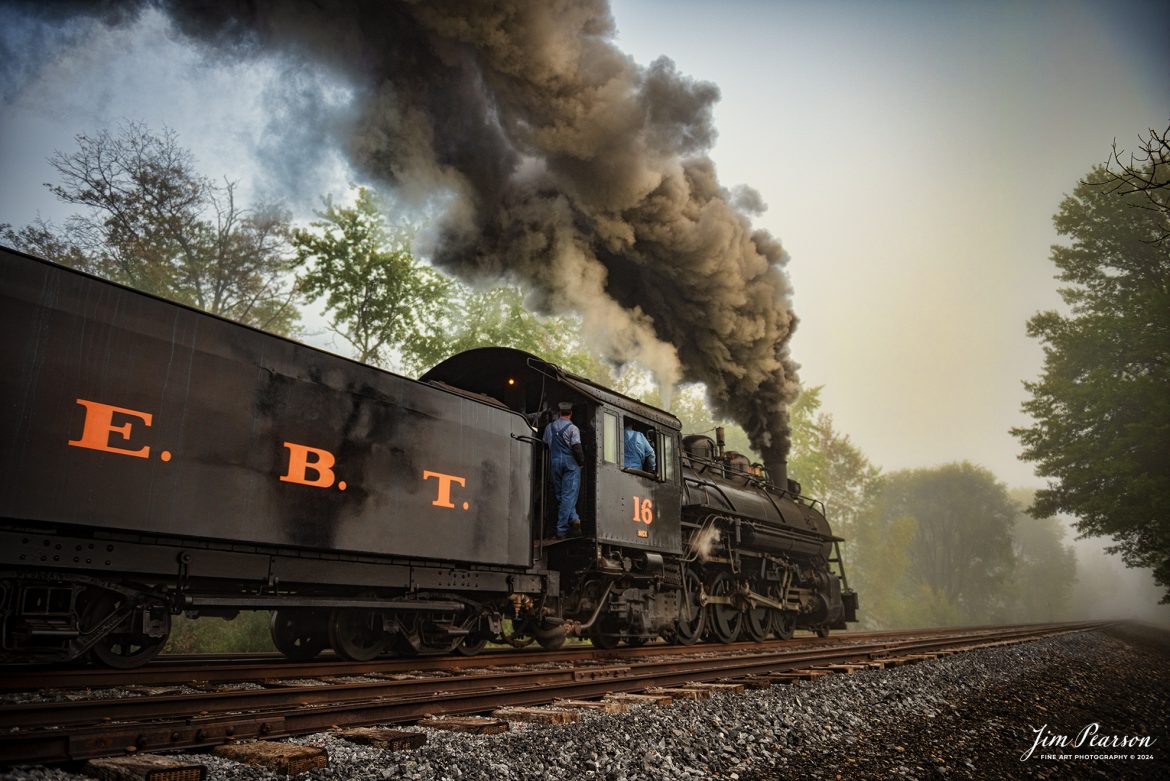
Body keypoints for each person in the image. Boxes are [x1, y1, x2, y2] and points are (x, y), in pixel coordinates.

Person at [543, 401, 585, 539]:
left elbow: (546, 444)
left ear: (560, 412)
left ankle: (574, 518)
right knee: (568, 496)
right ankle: (562, 530)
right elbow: (577, 448)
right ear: (570, 413)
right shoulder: (573, 428)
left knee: (560, 495)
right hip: (570, 464)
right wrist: (581, 463)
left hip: (554, 462)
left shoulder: (549, 427)